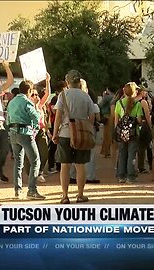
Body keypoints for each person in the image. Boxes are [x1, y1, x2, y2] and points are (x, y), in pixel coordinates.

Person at [52, 70, 95, 204]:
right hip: (81, 134)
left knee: (65, 165)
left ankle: (65, 195)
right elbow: (92, 116)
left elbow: (58, 116)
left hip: (65, 133)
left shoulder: (63, 95)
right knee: (80, 165)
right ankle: (80, 194)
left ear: (67, 81)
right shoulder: (85, 96)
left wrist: (55, 133)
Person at [7, 80, 45, 200]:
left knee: (18, 162)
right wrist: (35, 127)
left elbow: (7, 118)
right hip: (25, 133)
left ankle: (17, 190)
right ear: (29, 91)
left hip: (13, 133)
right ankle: (32, 190)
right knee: (35, 161)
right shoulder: (27, 102)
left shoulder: (12, 102)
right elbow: (36, 116)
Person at [69, 79, 101, 184]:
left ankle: (73, 175)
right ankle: (89, 176)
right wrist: (90, 127)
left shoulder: (68, 96)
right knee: (88, 153)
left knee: (73, 151)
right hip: (85, 127)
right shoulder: (86, 98)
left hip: (72, 127)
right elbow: (93, 114)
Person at [115, 82, 143, 183]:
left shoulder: (119, 103)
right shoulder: (138, 104)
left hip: (122, 132)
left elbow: (116, 120)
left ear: (124, 91)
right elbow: (139, 120)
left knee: (122, 153)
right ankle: (131, 176)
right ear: (135, 92)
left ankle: (121, 175)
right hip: (133, 132)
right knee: (132, 154)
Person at [47, 81, 67, 174]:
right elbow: (55, 111)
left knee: (56, 147)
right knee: (54, 147)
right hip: (55, 124)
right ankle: (52, 165)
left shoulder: (60, 98)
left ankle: (57, 166)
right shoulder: (56, 98)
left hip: (57, 124)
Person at [136, 86, 152, 174]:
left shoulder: (132, 101)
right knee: (147, 146)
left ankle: (139, 165)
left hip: (136, 125)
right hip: (144, 124)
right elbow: (147, 115)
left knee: (139, 147)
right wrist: (150, 126)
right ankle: (150, 164)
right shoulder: (143, 102)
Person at [99, 88, 114, 158]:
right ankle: (108, 151)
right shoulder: (114, 96)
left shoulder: (107, 97)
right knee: (110, 135)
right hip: (113, 116)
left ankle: (106, 151)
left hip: (107, 116)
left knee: (107, 135)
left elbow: (100, 105)